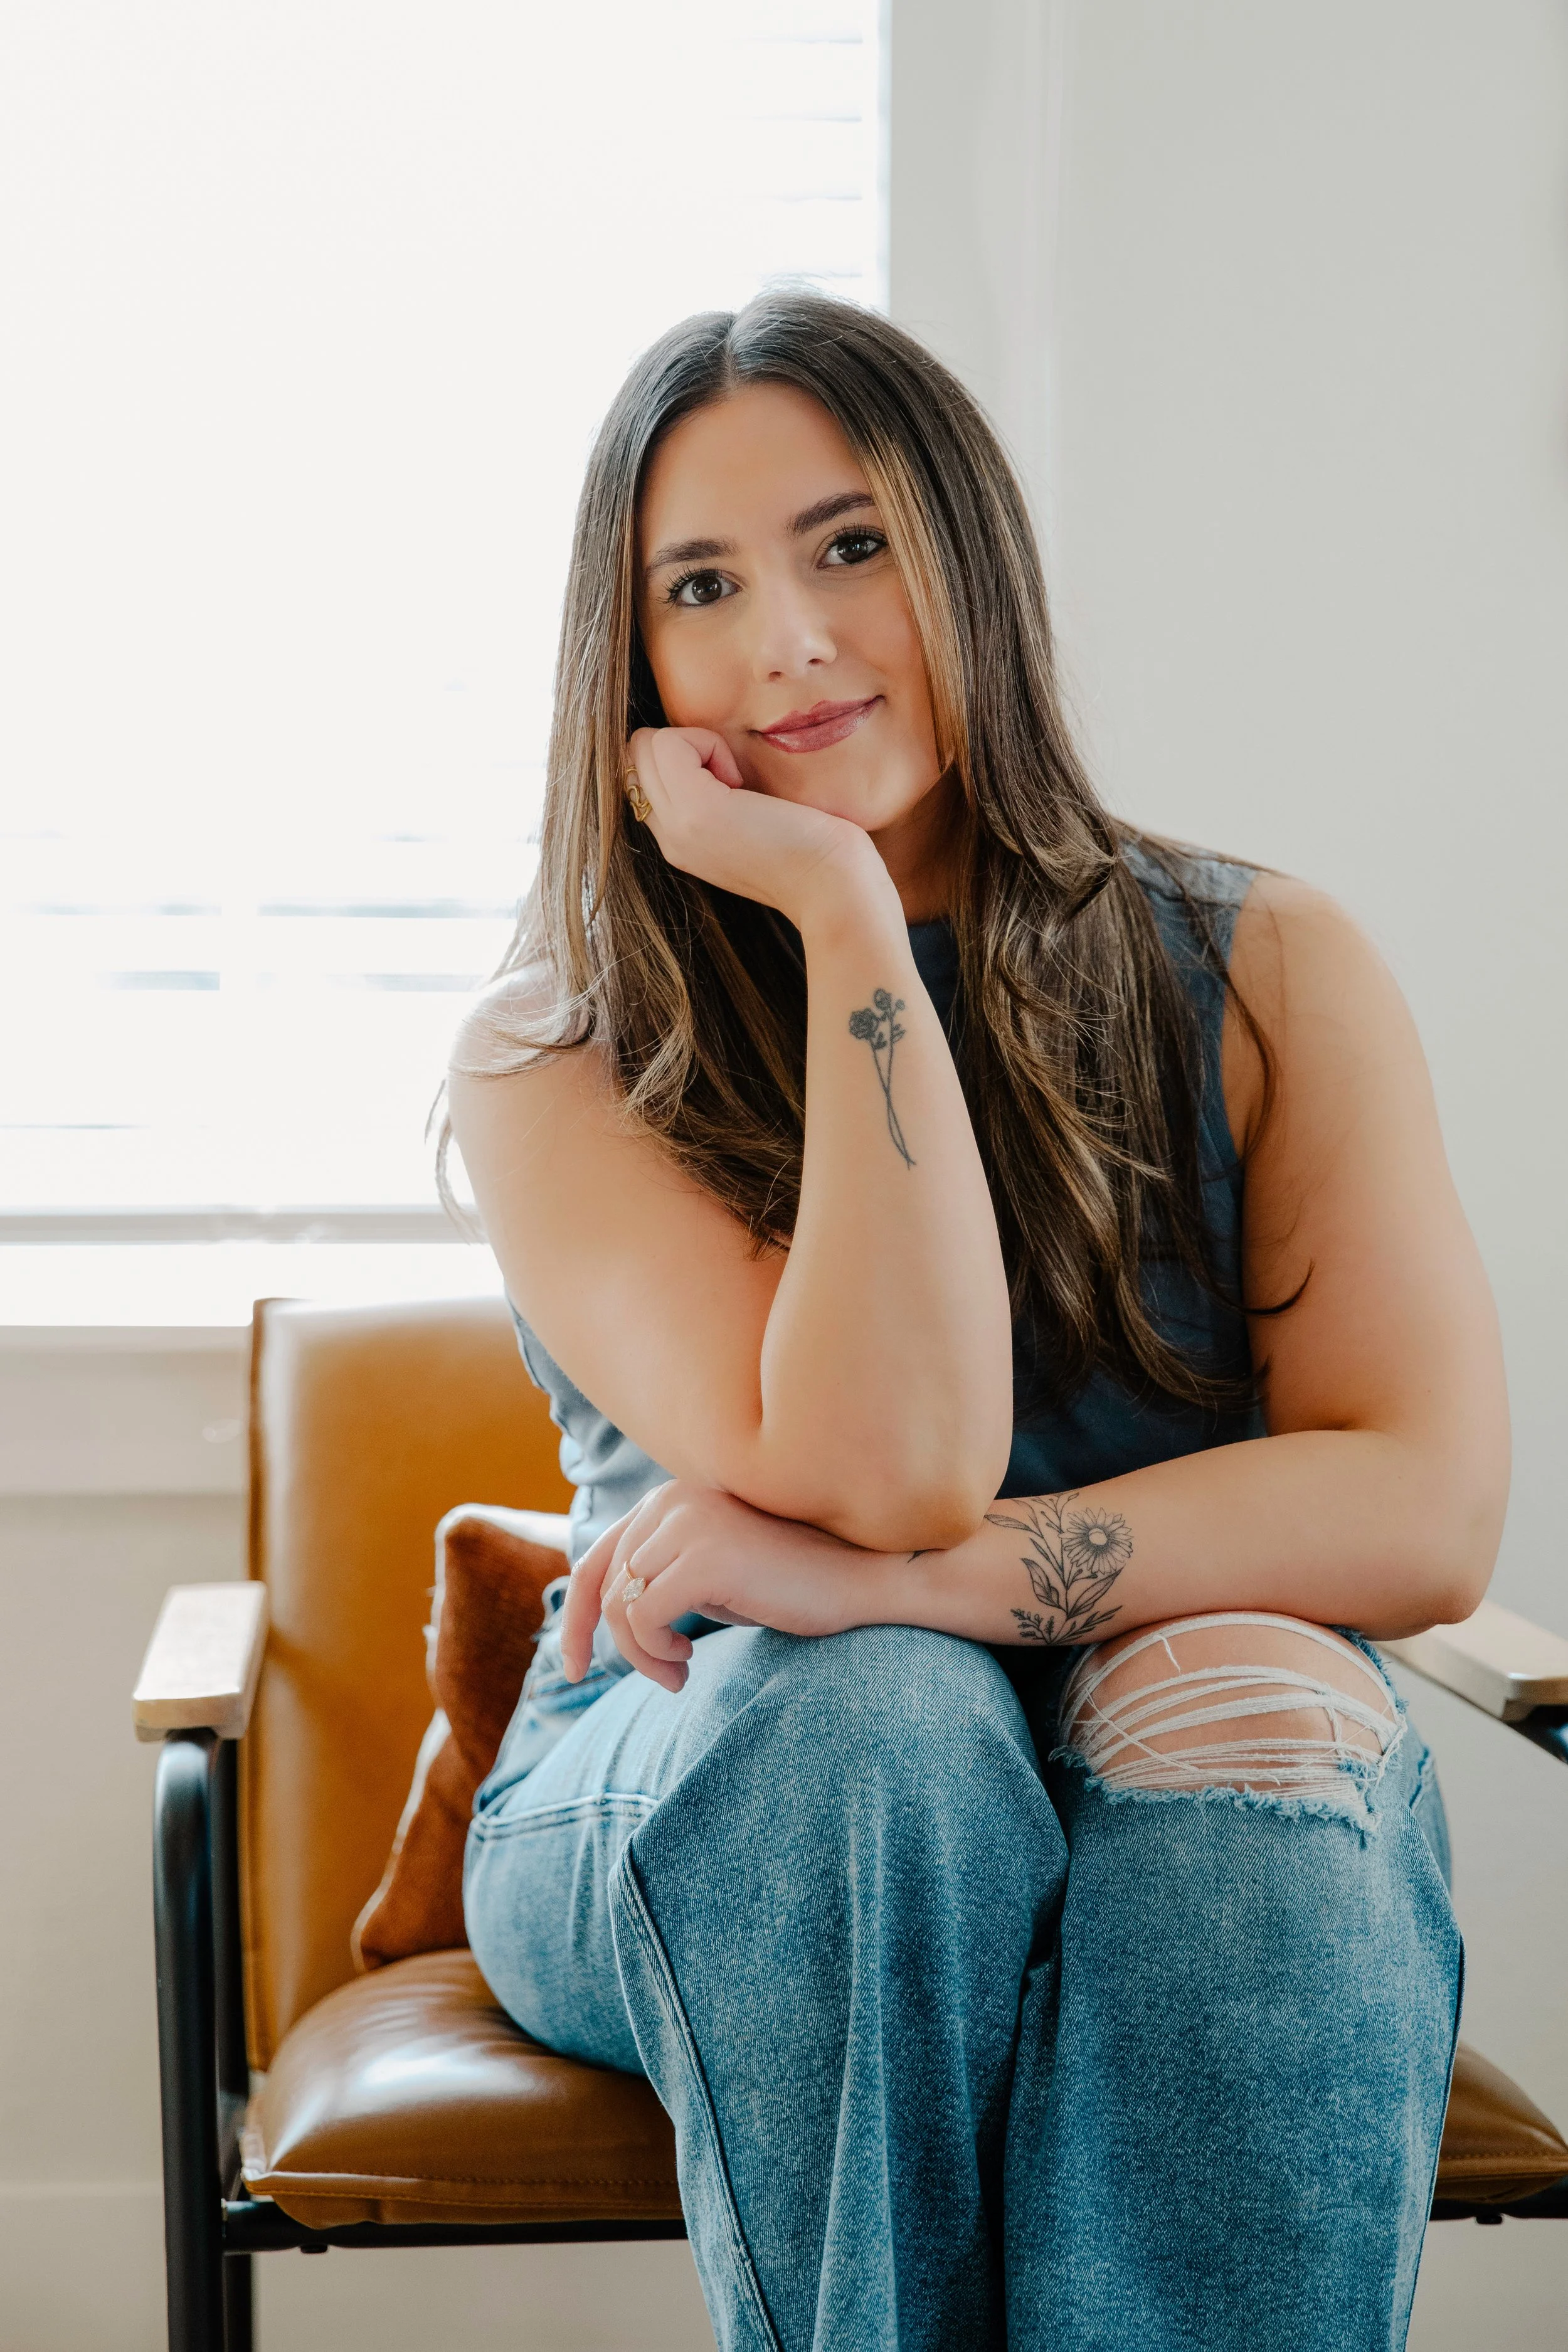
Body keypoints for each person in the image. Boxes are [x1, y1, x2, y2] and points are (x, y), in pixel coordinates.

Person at [446, 292, 1508, 2352]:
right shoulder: (561, 1053)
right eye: (702, 586)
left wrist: (922, 1585)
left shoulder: (1267, 965)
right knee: (873, 1727)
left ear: (968, 554)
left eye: (850, 545)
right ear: (635, 662)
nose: (790, 641)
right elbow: (882, 1457)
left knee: (1245, 1703)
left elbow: (1420, 1507)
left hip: (1129, 1694)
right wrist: (842, 914)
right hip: (702, 1747)